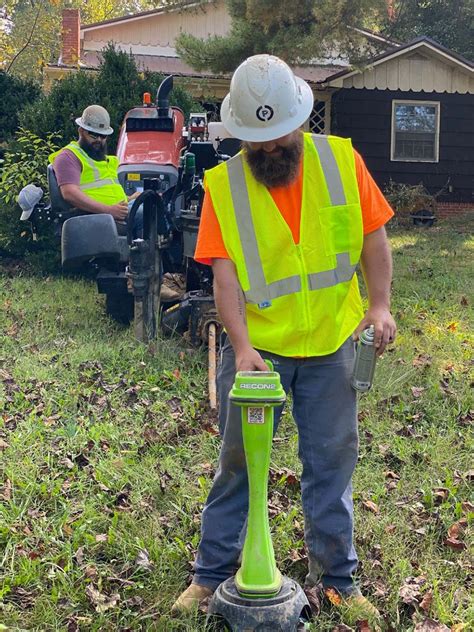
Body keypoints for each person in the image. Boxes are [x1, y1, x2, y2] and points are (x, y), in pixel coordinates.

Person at [172, 54, 396, 620]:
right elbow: (225, 278)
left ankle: (338, 580)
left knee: (331, 461)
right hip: (260, 353)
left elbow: (373, 239)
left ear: (300, 120)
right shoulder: (224, 186)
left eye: (278, 139)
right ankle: (211, 574)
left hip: (330, 343)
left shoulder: (342, 161)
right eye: (258, 143)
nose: (270, 151)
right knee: (238, 464)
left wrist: (379, 306)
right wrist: (242, 348)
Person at [49, 105, 131, 227]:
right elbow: (69, 193)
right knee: (149, 214)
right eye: (93, 134)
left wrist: (130, 198)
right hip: (98, 220)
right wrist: (110, 210)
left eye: (103, 136)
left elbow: (106, 192)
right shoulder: (69, 156)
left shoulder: (104, 160)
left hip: (116, 214)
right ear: (81, 131)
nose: (98, 139)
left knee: (157, 205)